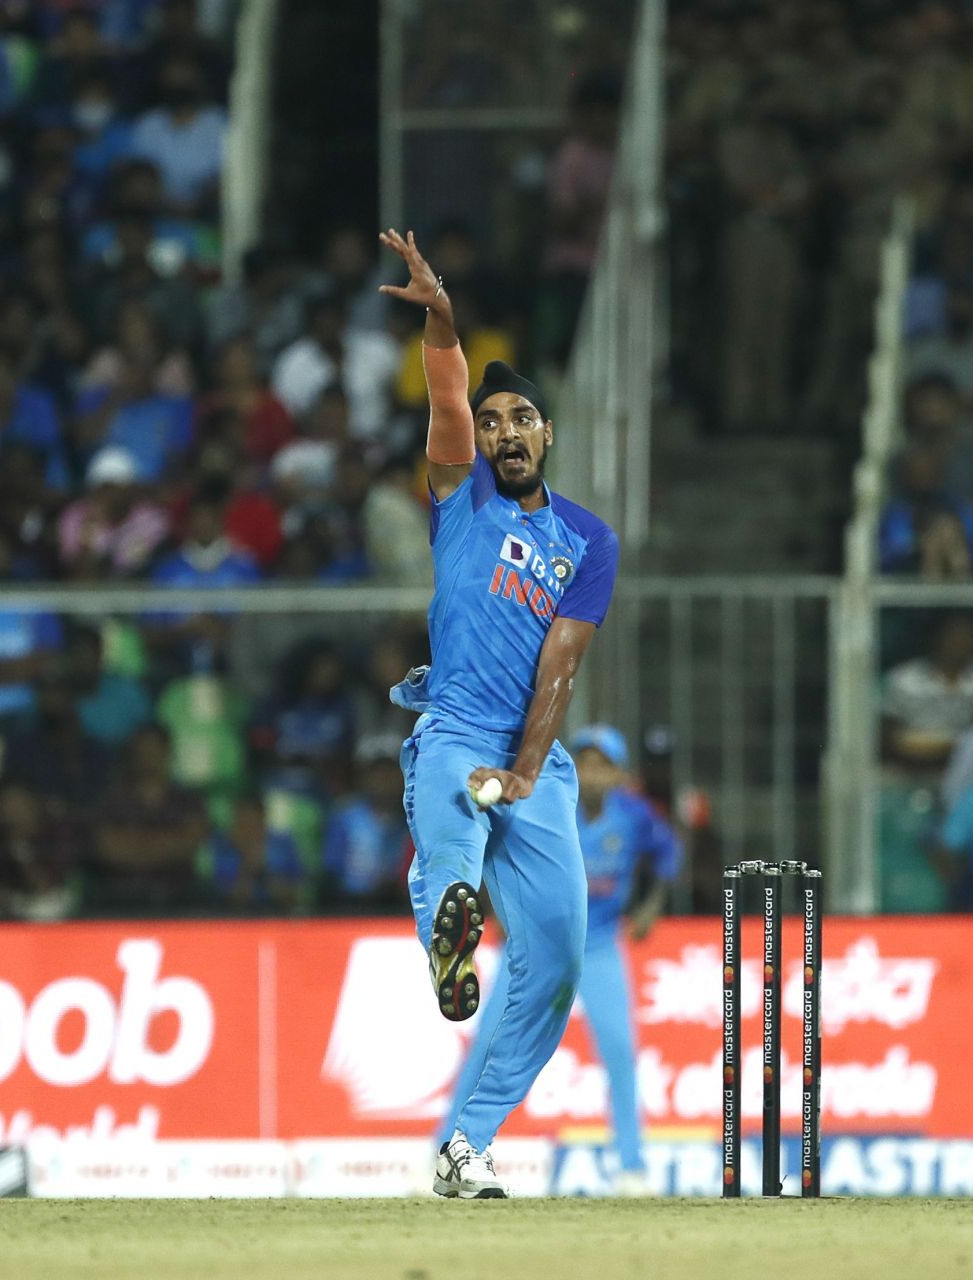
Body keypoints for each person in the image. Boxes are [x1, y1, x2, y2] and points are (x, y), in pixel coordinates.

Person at [378, 229, 619, 1200]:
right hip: (453, 730)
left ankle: (464, 1145)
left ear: (548, 434)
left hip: (539, 761)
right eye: (492, 420)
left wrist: (527, 771)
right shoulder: (459, 497)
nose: (506, 430)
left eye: (524, 417)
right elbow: (443, 395)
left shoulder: (587, 539)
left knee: (558, 956)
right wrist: (443, 319)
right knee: (450, 857)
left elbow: (560, 666)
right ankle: (450, 936)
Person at [437, 725, 677, 1196]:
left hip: (601, 944)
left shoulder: (633, 815)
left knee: (621, 1055)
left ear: (620, 775)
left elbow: (669, 851)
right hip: (533, 946)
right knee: (485, 1048)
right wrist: (496, 904)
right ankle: (443, 1152)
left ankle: (631, 1167)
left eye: (601, 764)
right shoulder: (546, 800)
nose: (590, 773)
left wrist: (652, 905)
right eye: (583, 762)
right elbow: (489, 839)